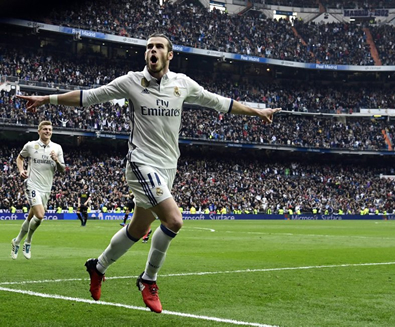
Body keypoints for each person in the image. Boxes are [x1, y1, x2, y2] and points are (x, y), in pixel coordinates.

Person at [18, 33, 281, 313]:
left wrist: (257, 111)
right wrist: (47, 98)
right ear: (146, 54)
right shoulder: (131, 81)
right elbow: (89, 97)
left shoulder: (183, 84)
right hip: (141, 163)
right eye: (149, 47)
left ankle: (98, 267)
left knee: (139, 227)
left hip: (168, 167)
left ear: (169, 55)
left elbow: (220, 102)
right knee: (174, 220)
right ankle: (148, 279)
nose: (152, 50)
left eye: (158, 47)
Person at [10, 121, 65, 260]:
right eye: (45, 129)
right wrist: (21, 170)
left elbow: (63, 170)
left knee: (32, 217)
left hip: (46, 188)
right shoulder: (30, 146)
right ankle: (28, 241)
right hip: (32, 185)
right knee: (40, 215)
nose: (48, 131)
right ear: (39, 131)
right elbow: (20, 158)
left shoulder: (57, 148)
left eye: (50, 129)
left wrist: (56, 160)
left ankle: (16, 241)